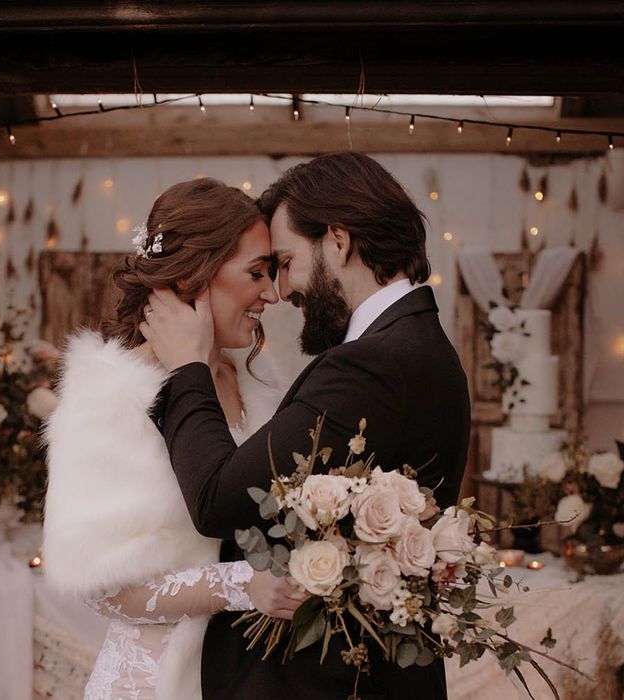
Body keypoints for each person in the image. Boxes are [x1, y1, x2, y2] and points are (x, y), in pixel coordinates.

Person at [140, 152, 471, 699]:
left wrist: (186, 369)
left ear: (337, 242)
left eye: (287, 262)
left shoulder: (373, 362)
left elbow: (219, 500)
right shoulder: (423, 345)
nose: (282, 290)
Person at [42, 178, 304, 700]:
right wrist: (239, 586)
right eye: (256, 273)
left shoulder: (257, 381)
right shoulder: (112, 395)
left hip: (254, 676)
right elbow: (104, 588)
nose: (272, 294)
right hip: (160, 680)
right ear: (194, 277)